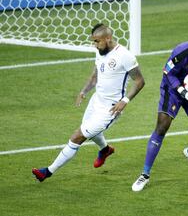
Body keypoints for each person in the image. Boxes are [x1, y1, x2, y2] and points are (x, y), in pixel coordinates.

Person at [32, 23, 145, 182]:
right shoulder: (100, 51)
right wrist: (83, 91)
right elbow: (95, 76)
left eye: (97, 41)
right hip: (96, 101)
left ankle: (47, 172)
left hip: (111, 109)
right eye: (94, 41)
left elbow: (140, 81)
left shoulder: (125, 56)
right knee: (90, 131)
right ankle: (105, 150)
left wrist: (124, 100)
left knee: (78, 136)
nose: (95, 45)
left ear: (108, 38)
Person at [132, 32, 188, 192]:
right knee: (162, 126)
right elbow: (168, 73)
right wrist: (181, 91)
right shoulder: (181, 52)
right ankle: (145, 174)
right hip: (173, 89)